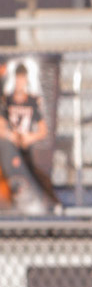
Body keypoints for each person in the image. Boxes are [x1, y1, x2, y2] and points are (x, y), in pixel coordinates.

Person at [0, 60, 51, 212]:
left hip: (27, 147)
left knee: (34, 170)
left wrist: (29, 137)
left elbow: (43, 131)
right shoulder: (7, 100)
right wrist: (11, 136)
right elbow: (1, 126)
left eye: (22, 79)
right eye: (18, 79)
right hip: (11, 146)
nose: (20, 83)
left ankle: (44, 202)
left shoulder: (32, 101)